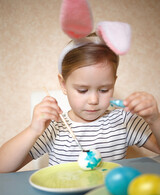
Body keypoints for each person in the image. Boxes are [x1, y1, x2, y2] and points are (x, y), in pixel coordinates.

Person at [0, 34, 160, 173]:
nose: (93, 100)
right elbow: (3, 167)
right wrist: (32, 130)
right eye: (83, 90)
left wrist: (155, 120)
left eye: (104, 90)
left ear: (114, 82)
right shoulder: (55, 127)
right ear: (63, 85)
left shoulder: (123, 121)